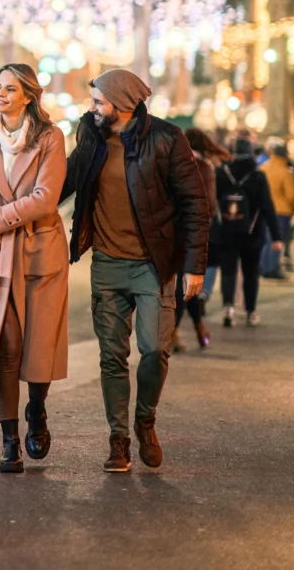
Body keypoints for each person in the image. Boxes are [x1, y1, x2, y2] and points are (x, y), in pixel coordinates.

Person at [61, 69, 209, 474]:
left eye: (98, 102)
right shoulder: (90, 137)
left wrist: (193, 265)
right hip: (107, 263)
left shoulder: (165, 138)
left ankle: (146, 420)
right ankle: (119, 439)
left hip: (153, 264)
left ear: (123, 104)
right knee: (112, 357)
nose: (91, 109)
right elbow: (62, 183)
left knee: (155, 349)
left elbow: (195, 204)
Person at [0, 64, 69, 474]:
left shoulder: (49, 138)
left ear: (28, 96)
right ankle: (9, 439)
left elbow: (45, 198)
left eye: (10, 88)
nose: (0, 94)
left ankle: (36, 409)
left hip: (42, 254)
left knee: (38, 348)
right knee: (4, 349)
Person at [214, 138, 280, 328]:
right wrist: (276, 236)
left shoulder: (221, 173)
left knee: (228, 271)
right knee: (251, 273)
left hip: (226, 231)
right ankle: (250, 311)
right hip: (252, 233)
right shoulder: (258, 176)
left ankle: (228, 308)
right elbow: (267, 206)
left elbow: (210, 201)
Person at [179, 128, 229, 352]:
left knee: (182, 282)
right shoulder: (204, 167)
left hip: (171, 230)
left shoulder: (175, 163)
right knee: (189, 282)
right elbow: (209, 203)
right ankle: (185, 331)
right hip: (193, 233)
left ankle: (195, 329)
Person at [261, 141, 294, 277]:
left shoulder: (263, 169)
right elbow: (292, 194)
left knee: (265, 239)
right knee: (276, 240)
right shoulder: (285, 172)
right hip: (281, 211)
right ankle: (272, 268)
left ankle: (263, 266)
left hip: (264, 209)